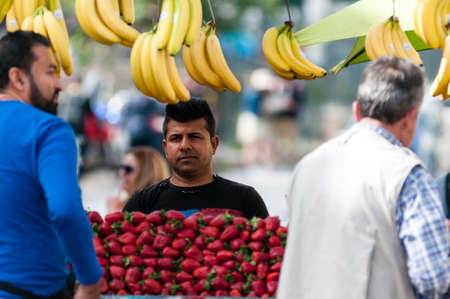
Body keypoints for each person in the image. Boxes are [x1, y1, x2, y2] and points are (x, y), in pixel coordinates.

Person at [278, 56, 450, 299]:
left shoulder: (307, 165)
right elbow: (432, 279)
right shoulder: (408, 175)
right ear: (411, 118)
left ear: (356, 110)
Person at [0, 31, 102, 298]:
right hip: (28, 289)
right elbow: (65, 210)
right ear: (18, 78)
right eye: (49, 72)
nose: (59, 84)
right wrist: (90, 280)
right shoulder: (49, 129)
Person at [123, 97, 269, 219]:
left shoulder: (245, 200)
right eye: (176, 138)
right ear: (165, 148)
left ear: (214, 144)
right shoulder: (142, 204)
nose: (185, 145)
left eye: (194, 137)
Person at [107, 146, 170, 212]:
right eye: (121, 167)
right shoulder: (125, 204)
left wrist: (112, 213)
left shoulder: (155, 208)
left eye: (128, 169)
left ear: (146, 175)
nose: (121, 173)